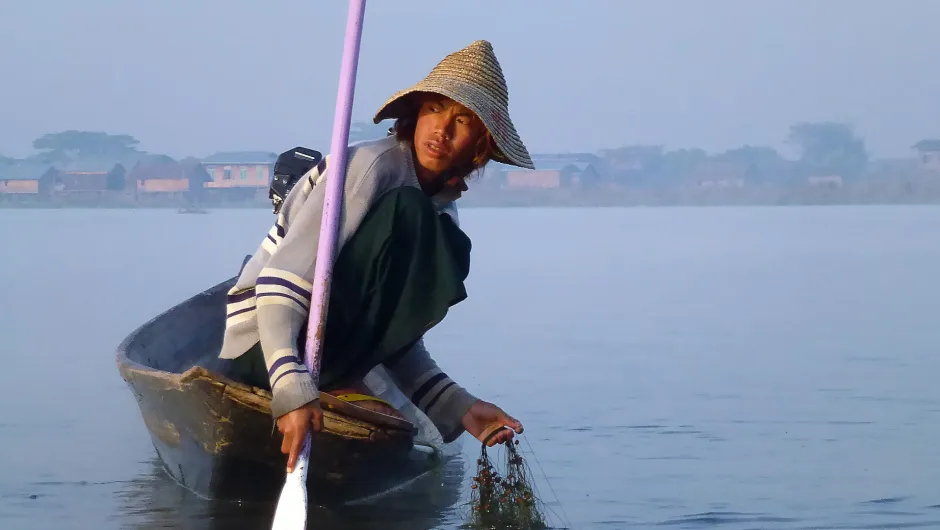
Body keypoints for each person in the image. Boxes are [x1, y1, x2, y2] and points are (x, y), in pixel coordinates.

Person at [218, 39, 536, 472]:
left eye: (462, 120)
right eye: (434, 110)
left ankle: (339, 379)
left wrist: (458, 405)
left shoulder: (440, 212)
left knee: (448, 244)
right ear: (415, 114)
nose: (441, 130)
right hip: (264, 346)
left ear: (481, 143)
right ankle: (332, 380)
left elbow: (391, 334)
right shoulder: (372, 167)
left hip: (329, 353)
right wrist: (291, 387)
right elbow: (280, 283)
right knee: (409, 212)